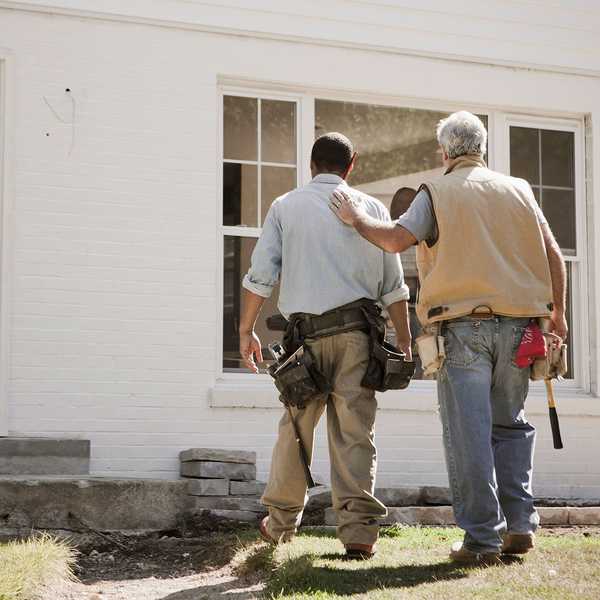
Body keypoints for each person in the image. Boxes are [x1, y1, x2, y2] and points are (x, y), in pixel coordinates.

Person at [329, 112, 567, 565]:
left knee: (469, 434)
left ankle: (481, 540)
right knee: (511, 427)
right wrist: (558, 316)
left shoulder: (436, 191)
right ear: (481, 149)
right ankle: (519, 527)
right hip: (521, 328)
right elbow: (553, 254)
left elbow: (397, 239)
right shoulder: (518, 189)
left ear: (445, 153)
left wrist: (357, 218)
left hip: (463, 328)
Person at [239, 132, 412, 558]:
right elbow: (394, 285)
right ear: (351, 166)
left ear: (311, 164)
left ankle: (279, 525)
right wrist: (405, 337)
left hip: (304, 342)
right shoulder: (371, 208)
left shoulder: (285, 206)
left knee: (296, 431)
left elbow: (261, 274)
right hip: (358, 337)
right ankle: (358, 534)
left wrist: (245, 330)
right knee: (355, 433)